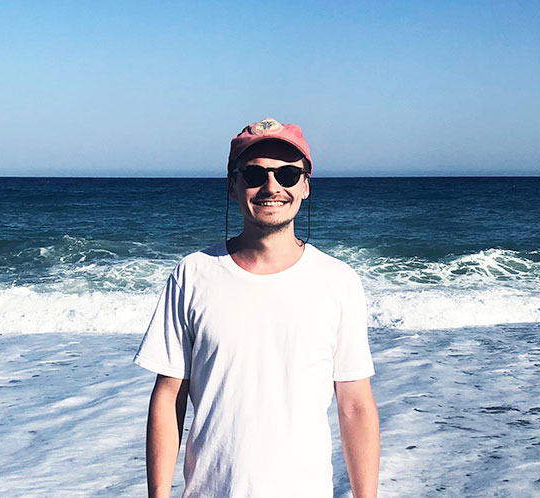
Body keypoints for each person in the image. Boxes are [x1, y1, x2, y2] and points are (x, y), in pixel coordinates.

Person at [135, 118, 380, 498]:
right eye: (254, 174)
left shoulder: (338, 280)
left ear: (305, 185)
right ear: (233, 186)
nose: (271, 187)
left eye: (287, 174)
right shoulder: (194, 274)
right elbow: (169, 397)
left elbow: (355, 406)